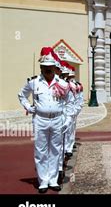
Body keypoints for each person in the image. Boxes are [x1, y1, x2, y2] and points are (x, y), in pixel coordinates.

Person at [18, 47, 74, 193]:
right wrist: (28, 107)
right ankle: (43, 181)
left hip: (57, 120)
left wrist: (67, 119)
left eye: (50, 68)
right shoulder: (34, 82)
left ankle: (53, 180)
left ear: (54, 68)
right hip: (40, 120)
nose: (47, 70)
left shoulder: (62, 84)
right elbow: (21, 95)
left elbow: (70, 102)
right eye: (44, 68)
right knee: (40, 150)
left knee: (56, 150)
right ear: (41, 68)